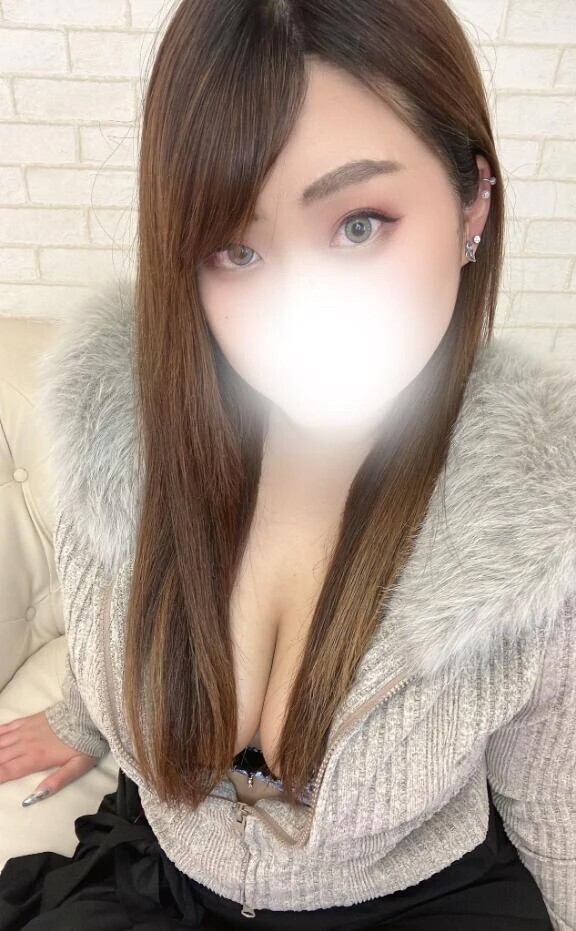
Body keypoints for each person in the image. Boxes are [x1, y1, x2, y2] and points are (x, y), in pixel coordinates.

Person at [0, 0, 573, 928]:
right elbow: (117, 613)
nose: (302, 312)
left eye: (359, 226)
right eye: (237, 247)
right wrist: (82, 714)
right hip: (167, 877)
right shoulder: (119, 439)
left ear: (472, 204)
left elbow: (555, 799)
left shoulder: (536, 521)